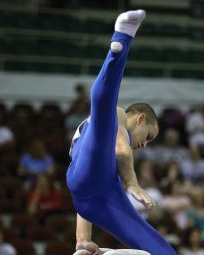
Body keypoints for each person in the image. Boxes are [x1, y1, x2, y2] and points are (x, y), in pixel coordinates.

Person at [66, 10, 177, 255]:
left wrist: (82, 240)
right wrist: (133, 184)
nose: (145, 145)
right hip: (86, 175)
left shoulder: (107, 163)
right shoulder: (117, 116)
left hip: (99, 196)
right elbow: (120, 149)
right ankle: (121, 40)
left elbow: (86, 193)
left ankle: (119, 46)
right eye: (148, 136)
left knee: (162, 251)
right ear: (139, 118)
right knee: (106, 104)